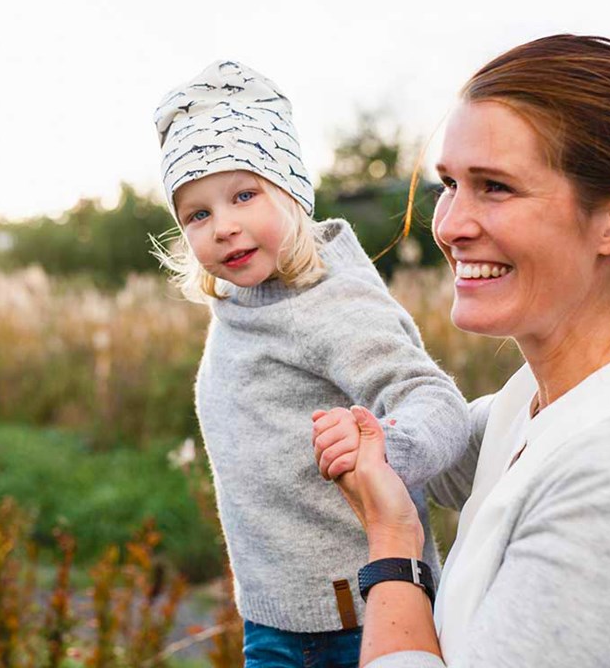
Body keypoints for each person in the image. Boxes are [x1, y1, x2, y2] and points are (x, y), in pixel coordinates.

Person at [314, 34, 610, 666]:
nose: (449, 224)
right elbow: (438, 447)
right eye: (449, 183)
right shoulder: (531, 404)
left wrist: (393, 547)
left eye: (496, 187)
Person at [152, 59, 472, 667]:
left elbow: (432, 398)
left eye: (244, 195)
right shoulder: (244, 299)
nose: (224, 226)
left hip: (353, 621)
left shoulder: (328, 298)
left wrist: (386, 450)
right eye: (198, 213)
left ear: (293, 193)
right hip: (274, 618)